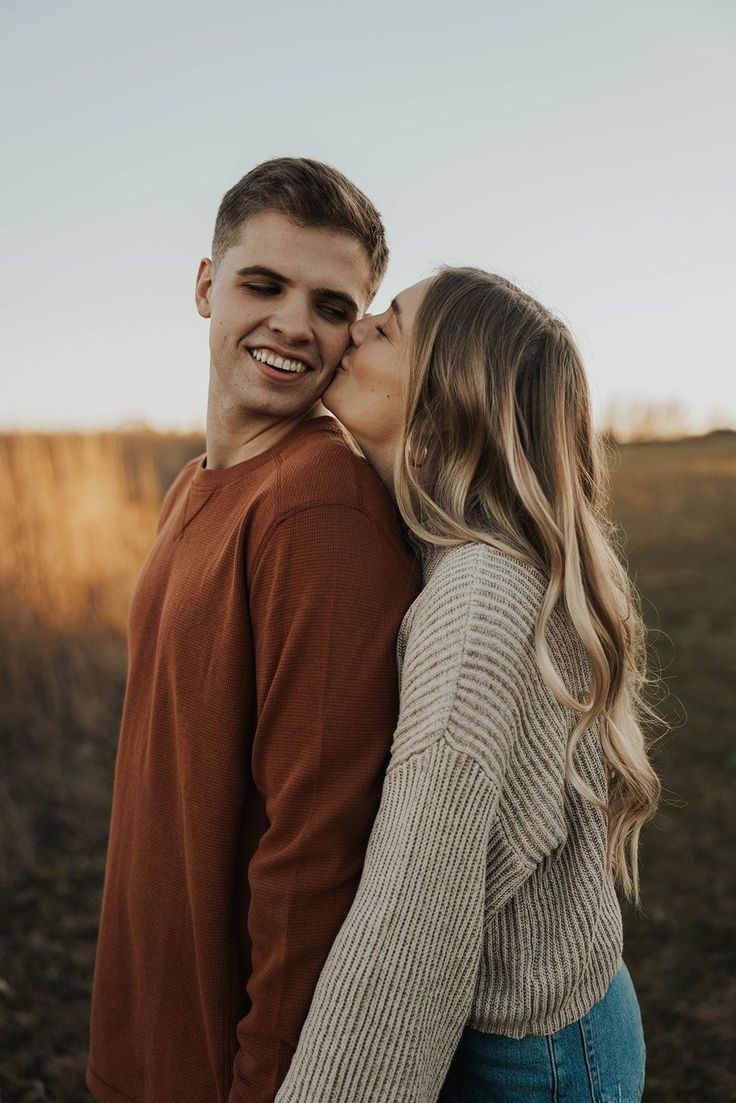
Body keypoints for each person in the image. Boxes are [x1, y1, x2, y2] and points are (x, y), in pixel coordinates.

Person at [274, 267, 662, 1103]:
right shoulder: (457, 551)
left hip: (540, 1060)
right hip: (566, 1021)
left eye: (390, 324)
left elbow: (414, 914)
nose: (357, 325)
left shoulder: (478, 599)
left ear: (450, 396)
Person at [85, 158, 420, 1103]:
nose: (291, 325)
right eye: (262, 284)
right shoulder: (195, 484)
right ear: (206, 285)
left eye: (330, 305)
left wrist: (267, 1079)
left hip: (220, 1062)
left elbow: (314, 848)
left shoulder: (319, 507)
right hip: (145, 1024)